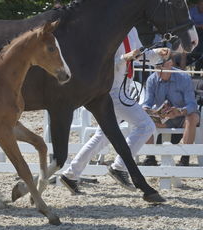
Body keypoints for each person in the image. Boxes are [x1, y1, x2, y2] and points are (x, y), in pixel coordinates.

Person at [57, 28, 170, 194]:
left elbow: (138, 56)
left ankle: (71, 174)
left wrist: (157, 54)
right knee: (146, 126)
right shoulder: (108, 28)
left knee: (102, 136)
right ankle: (119, 166)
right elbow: (99, 63)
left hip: (123, 89)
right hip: (111, 90)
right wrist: (125, 58)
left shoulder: (131, 30)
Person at [141, 59, 200, 167]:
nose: (158, 70)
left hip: (183, 116)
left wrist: (180, 111)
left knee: (193, 117)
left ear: (170, 64)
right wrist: (148, 110)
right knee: (144, 118)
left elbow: (192, 104)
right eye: (156, 66)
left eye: (161, 66)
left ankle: (185, 157)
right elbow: (147, 103)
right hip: (164, 118)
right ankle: (150, 157)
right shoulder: (151, 79)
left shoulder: (183, 77)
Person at [189, 0, 203, 71]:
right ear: (198, 4)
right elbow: (189, 24)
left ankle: (198, 65)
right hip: (194, 31)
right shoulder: (192, 11)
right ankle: (197, 62)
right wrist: (199, 26)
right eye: (201, 5)